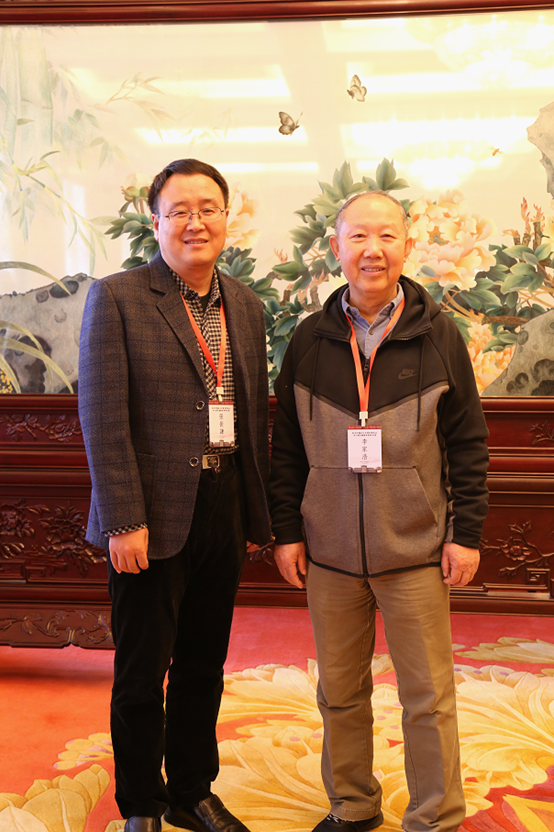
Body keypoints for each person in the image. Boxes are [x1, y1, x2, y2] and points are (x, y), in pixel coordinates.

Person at [269, 191, 489, 832]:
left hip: (415, 549)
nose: (373, 250)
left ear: (407, 246)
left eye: (387, 236)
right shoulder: (308, 339)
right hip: (330, 550)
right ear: (335, 248)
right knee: (339, 693)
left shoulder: (439, 334)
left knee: (428, 698)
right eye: (358, 237)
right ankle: (353, 807)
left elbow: (468, 442)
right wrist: (287, 531)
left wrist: (466, 533)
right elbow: (286, 446)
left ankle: (435, 817)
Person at [78, 159, 271, 832]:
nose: (195, 222)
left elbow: (251, 413)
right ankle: (141, 803)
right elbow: (103, 416)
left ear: (227, 218)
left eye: (208, 208)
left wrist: (255, 514)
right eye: (179, 210)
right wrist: (122, 519)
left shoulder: (244, 304)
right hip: (148, 513)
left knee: (203, 664)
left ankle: (192, 790)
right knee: (141, 671)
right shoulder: (118, 297)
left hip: (223, 505)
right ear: (155, 221)